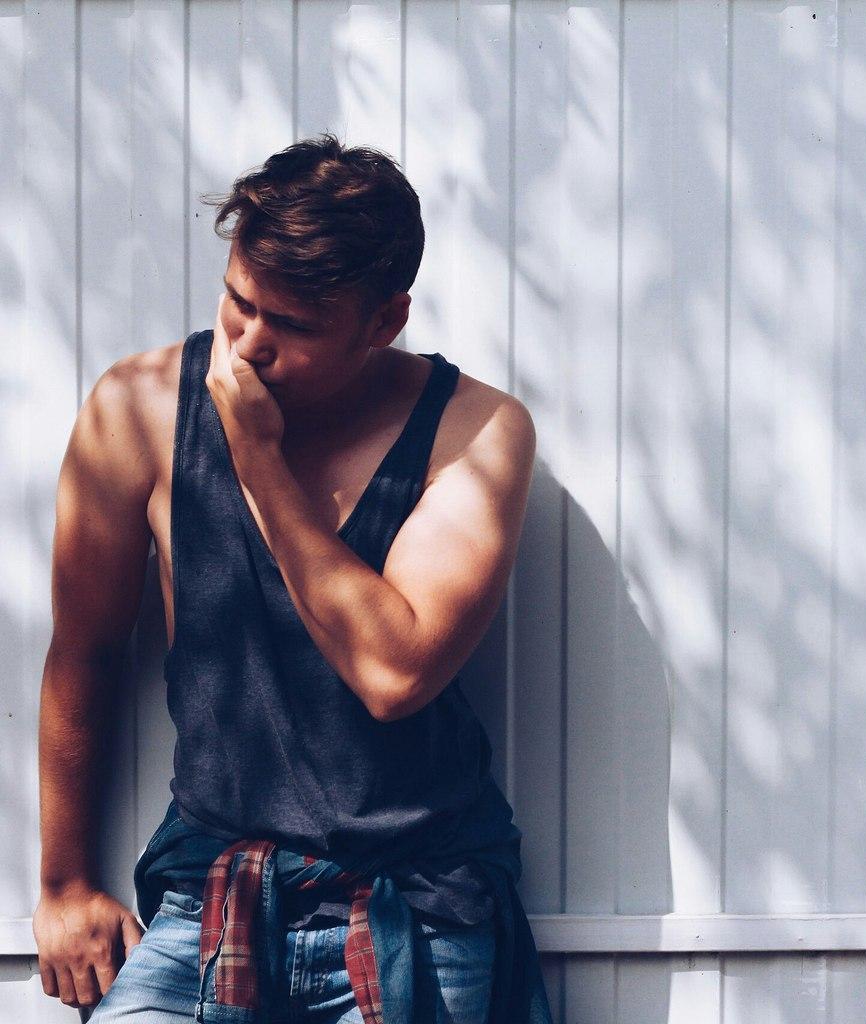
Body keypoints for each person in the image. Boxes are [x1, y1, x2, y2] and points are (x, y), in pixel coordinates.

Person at [32, 133, 554, 1023]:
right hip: (214, 891)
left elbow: (393, 674)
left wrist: (259, 463)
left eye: (295, 327)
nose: (249, 346)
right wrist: (65, 884)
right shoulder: (138, 407)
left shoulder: (475, 431)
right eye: (240, 303)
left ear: (385, 321)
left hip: (416, 904)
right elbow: (85, 647)